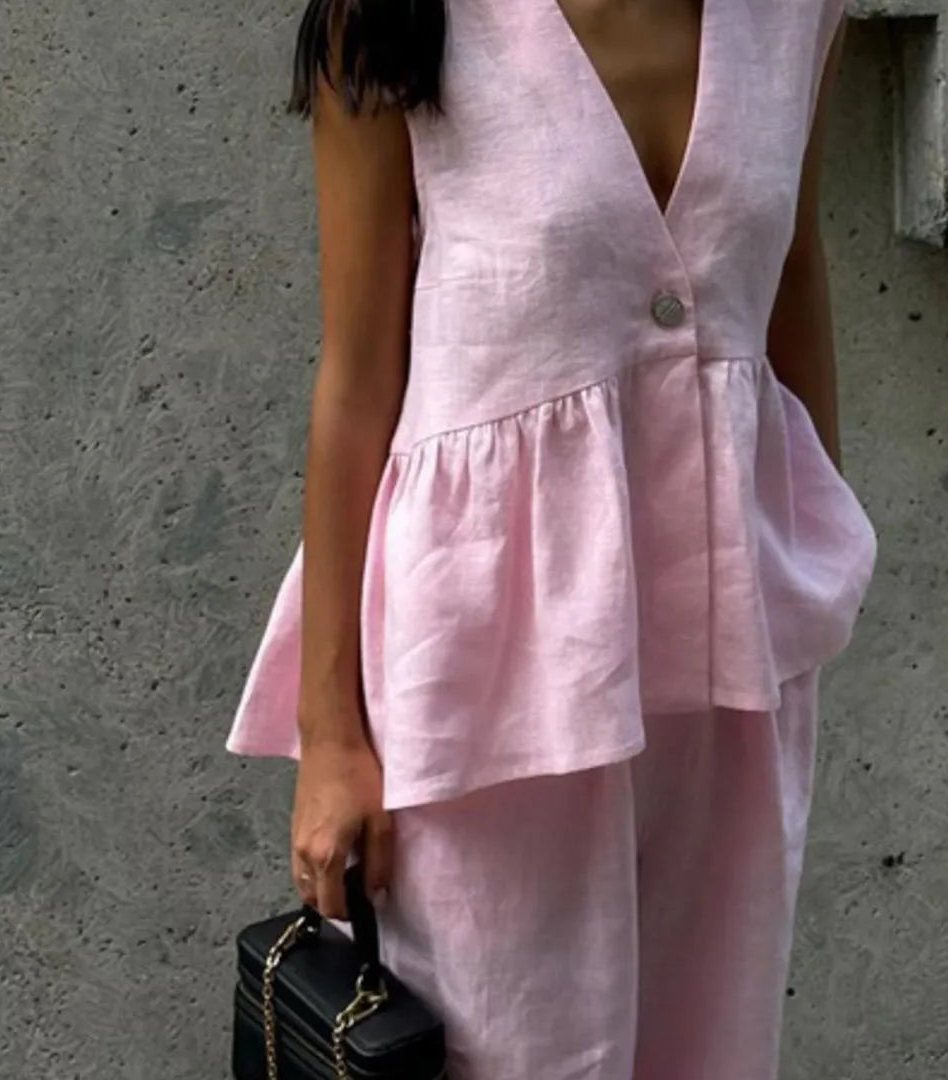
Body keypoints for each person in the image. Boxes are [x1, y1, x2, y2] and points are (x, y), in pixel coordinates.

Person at [226, 0, 878, 1075]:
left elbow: (793, 269)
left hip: (729, 666)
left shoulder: (798, 18)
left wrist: (811, 560)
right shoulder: (398, 21)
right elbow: (353, 383)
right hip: (487, 672)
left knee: (711, 1050)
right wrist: (332, 737)